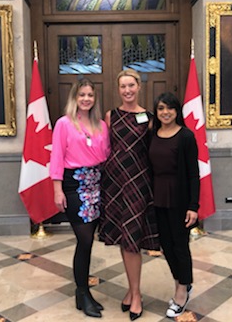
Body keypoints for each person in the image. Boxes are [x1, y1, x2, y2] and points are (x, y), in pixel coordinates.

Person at [99, 68, 160, 321]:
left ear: (139, 87)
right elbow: (105, 148)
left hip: (138, 183)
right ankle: (131, 289)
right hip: (114, 184)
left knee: (133, 240)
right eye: (123, 86)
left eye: (131, 86)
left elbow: (155, 152)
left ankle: (136, 295)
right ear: (118, 89)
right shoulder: (111, 116)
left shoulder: (150, 118)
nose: (127, 91)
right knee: (124, 239)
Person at [50, 78, 110, 318]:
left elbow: (106, 156)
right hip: (74, 185)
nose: (86, 99)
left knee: (90, 241)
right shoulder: (64, 124)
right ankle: (83, 291)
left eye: (90, 95)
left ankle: (82, 294)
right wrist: (57, 189)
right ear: (75, 97)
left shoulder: (101, 125)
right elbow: (56, 157)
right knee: (84, 240)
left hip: (97, 183)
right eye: (82, 95)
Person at [148, 92, 200, 319]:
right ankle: (183, 282)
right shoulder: (152, 135)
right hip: (158, 197)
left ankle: (181, 292)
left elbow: (193, 175)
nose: (165, 112)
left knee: (180, 246)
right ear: (156, 112)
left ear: (177, 111)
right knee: (165, 246)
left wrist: (193, 206)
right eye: (160, 108)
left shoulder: (186, 136)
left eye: (169, 108)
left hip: (179, 200)